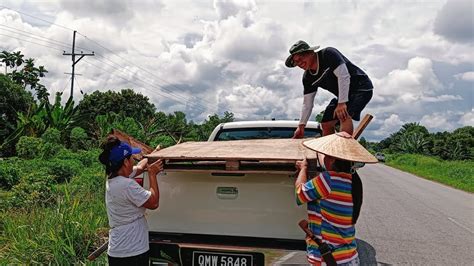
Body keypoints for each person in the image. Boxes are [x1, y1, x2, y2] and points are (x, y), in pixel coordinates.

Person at [295, 132, 377, 265]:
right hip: (348, 257)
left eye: (326, 155)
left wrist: (303, 169)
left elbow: (300, 194)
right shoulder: (353, 181)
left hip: (327, 259)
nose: (324, 159)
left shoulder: (328, 180)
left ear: (332, 159)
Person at [285, 40, 373, 137]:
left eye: (301, 58)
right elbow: (307, 104)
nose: (299, 63)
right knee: (326, 123)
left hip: (362, 88)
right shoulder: (308, 78)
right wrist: (301, 126)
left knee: (343, 114)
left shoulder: (328, 54)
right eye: (296, 62)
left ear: (310, 53)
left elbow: (343, 75)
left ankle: (343, 147)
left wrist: (342, 103)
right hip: (343, 96)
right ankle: (328, 150)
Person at [98, 136, 163, 266]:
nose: (134, 160)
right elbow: (153, 202)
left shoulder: (114, 178)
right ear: (126, 162)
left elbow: (139, 167)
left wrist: (153, 154)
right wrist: (152, 174)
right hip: (132, 251)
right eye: (132, 157)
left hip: (119, 250)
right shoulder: (126, 185)